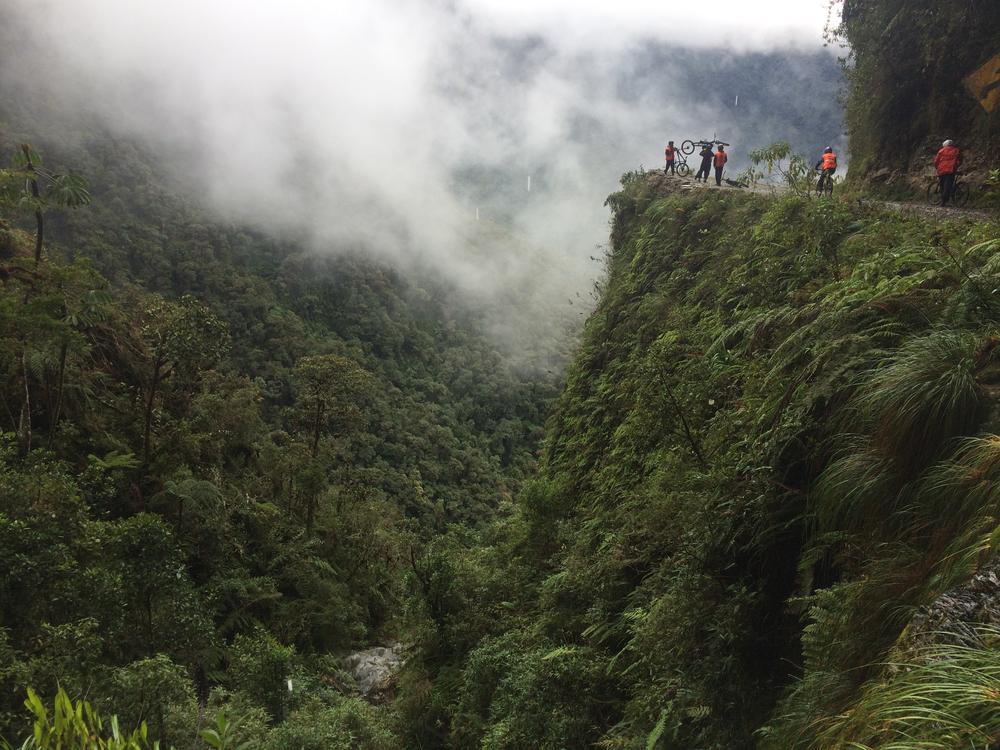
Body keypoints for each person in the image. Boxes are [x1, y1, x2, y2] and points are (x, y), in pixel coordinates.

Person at [934, 139, 962, 206]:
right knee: (948, 185)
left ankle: (943, 201)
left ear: (945, 145)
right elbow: (960, 159)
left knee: (942, 185)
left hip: (941, 170)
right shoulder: (956, 150)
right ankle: (945, 200)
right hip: (951, 170)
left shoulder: (941, 151)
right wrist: (957, 165)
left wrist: (937, 167)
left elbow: (936, 161)